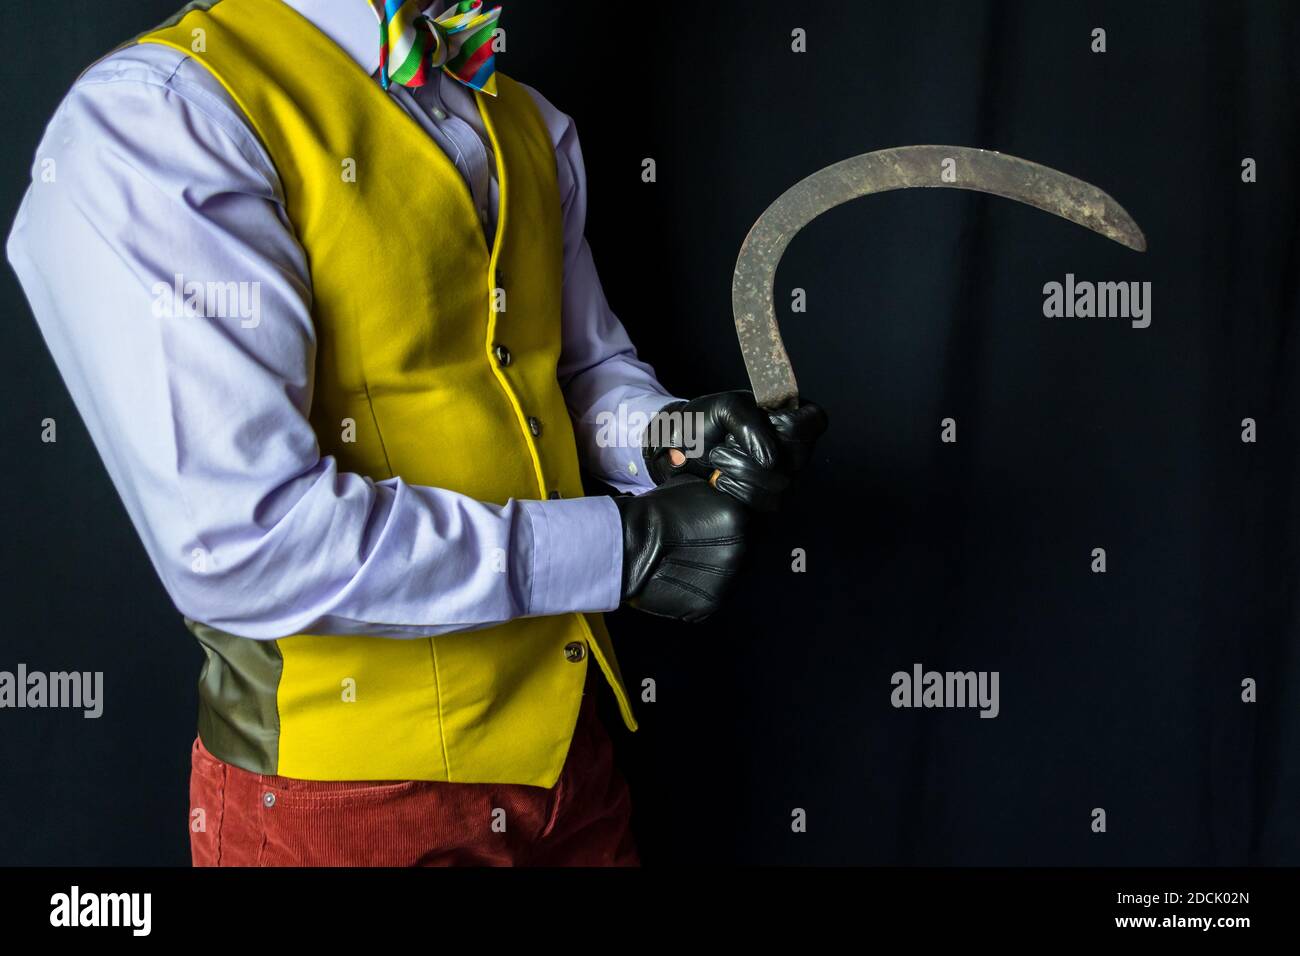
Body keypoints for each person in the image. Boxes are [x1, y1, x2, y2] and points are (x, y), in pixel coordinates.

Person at [7, 0, 826, 866]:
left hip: (570, 766)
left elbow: (569, 372)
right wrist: (624, 548)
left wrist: (670, 433)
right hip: (340, 810)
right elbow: (245, 542)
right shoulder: (164, 116)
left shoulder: (525, 118)